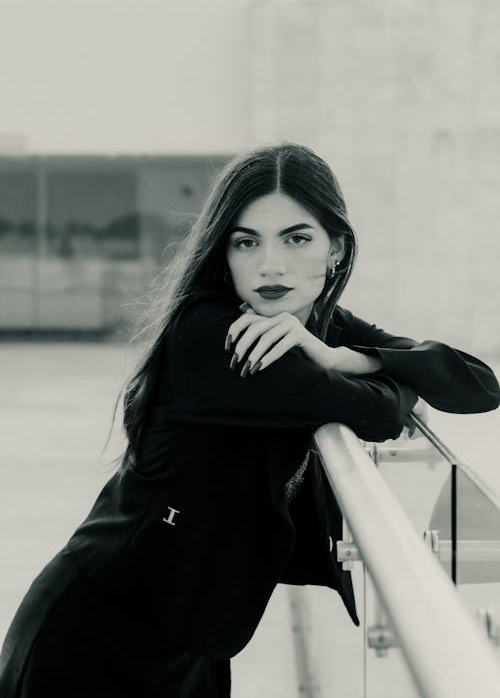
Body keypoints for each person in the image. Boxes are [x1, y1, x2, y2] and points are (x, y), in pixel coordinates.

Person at [1, 142, 499, 698]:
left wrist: (345, 356)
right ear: (223, 253)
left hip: (190, 639)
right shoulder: (218, 335)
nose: (271, 265)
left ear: (335, 248)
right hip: (95, 640)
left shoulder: (314, 327)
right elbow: (377, 411)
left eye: (297, 237)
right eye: (246, 242)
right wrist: (366, 374)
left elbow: (478, 383)